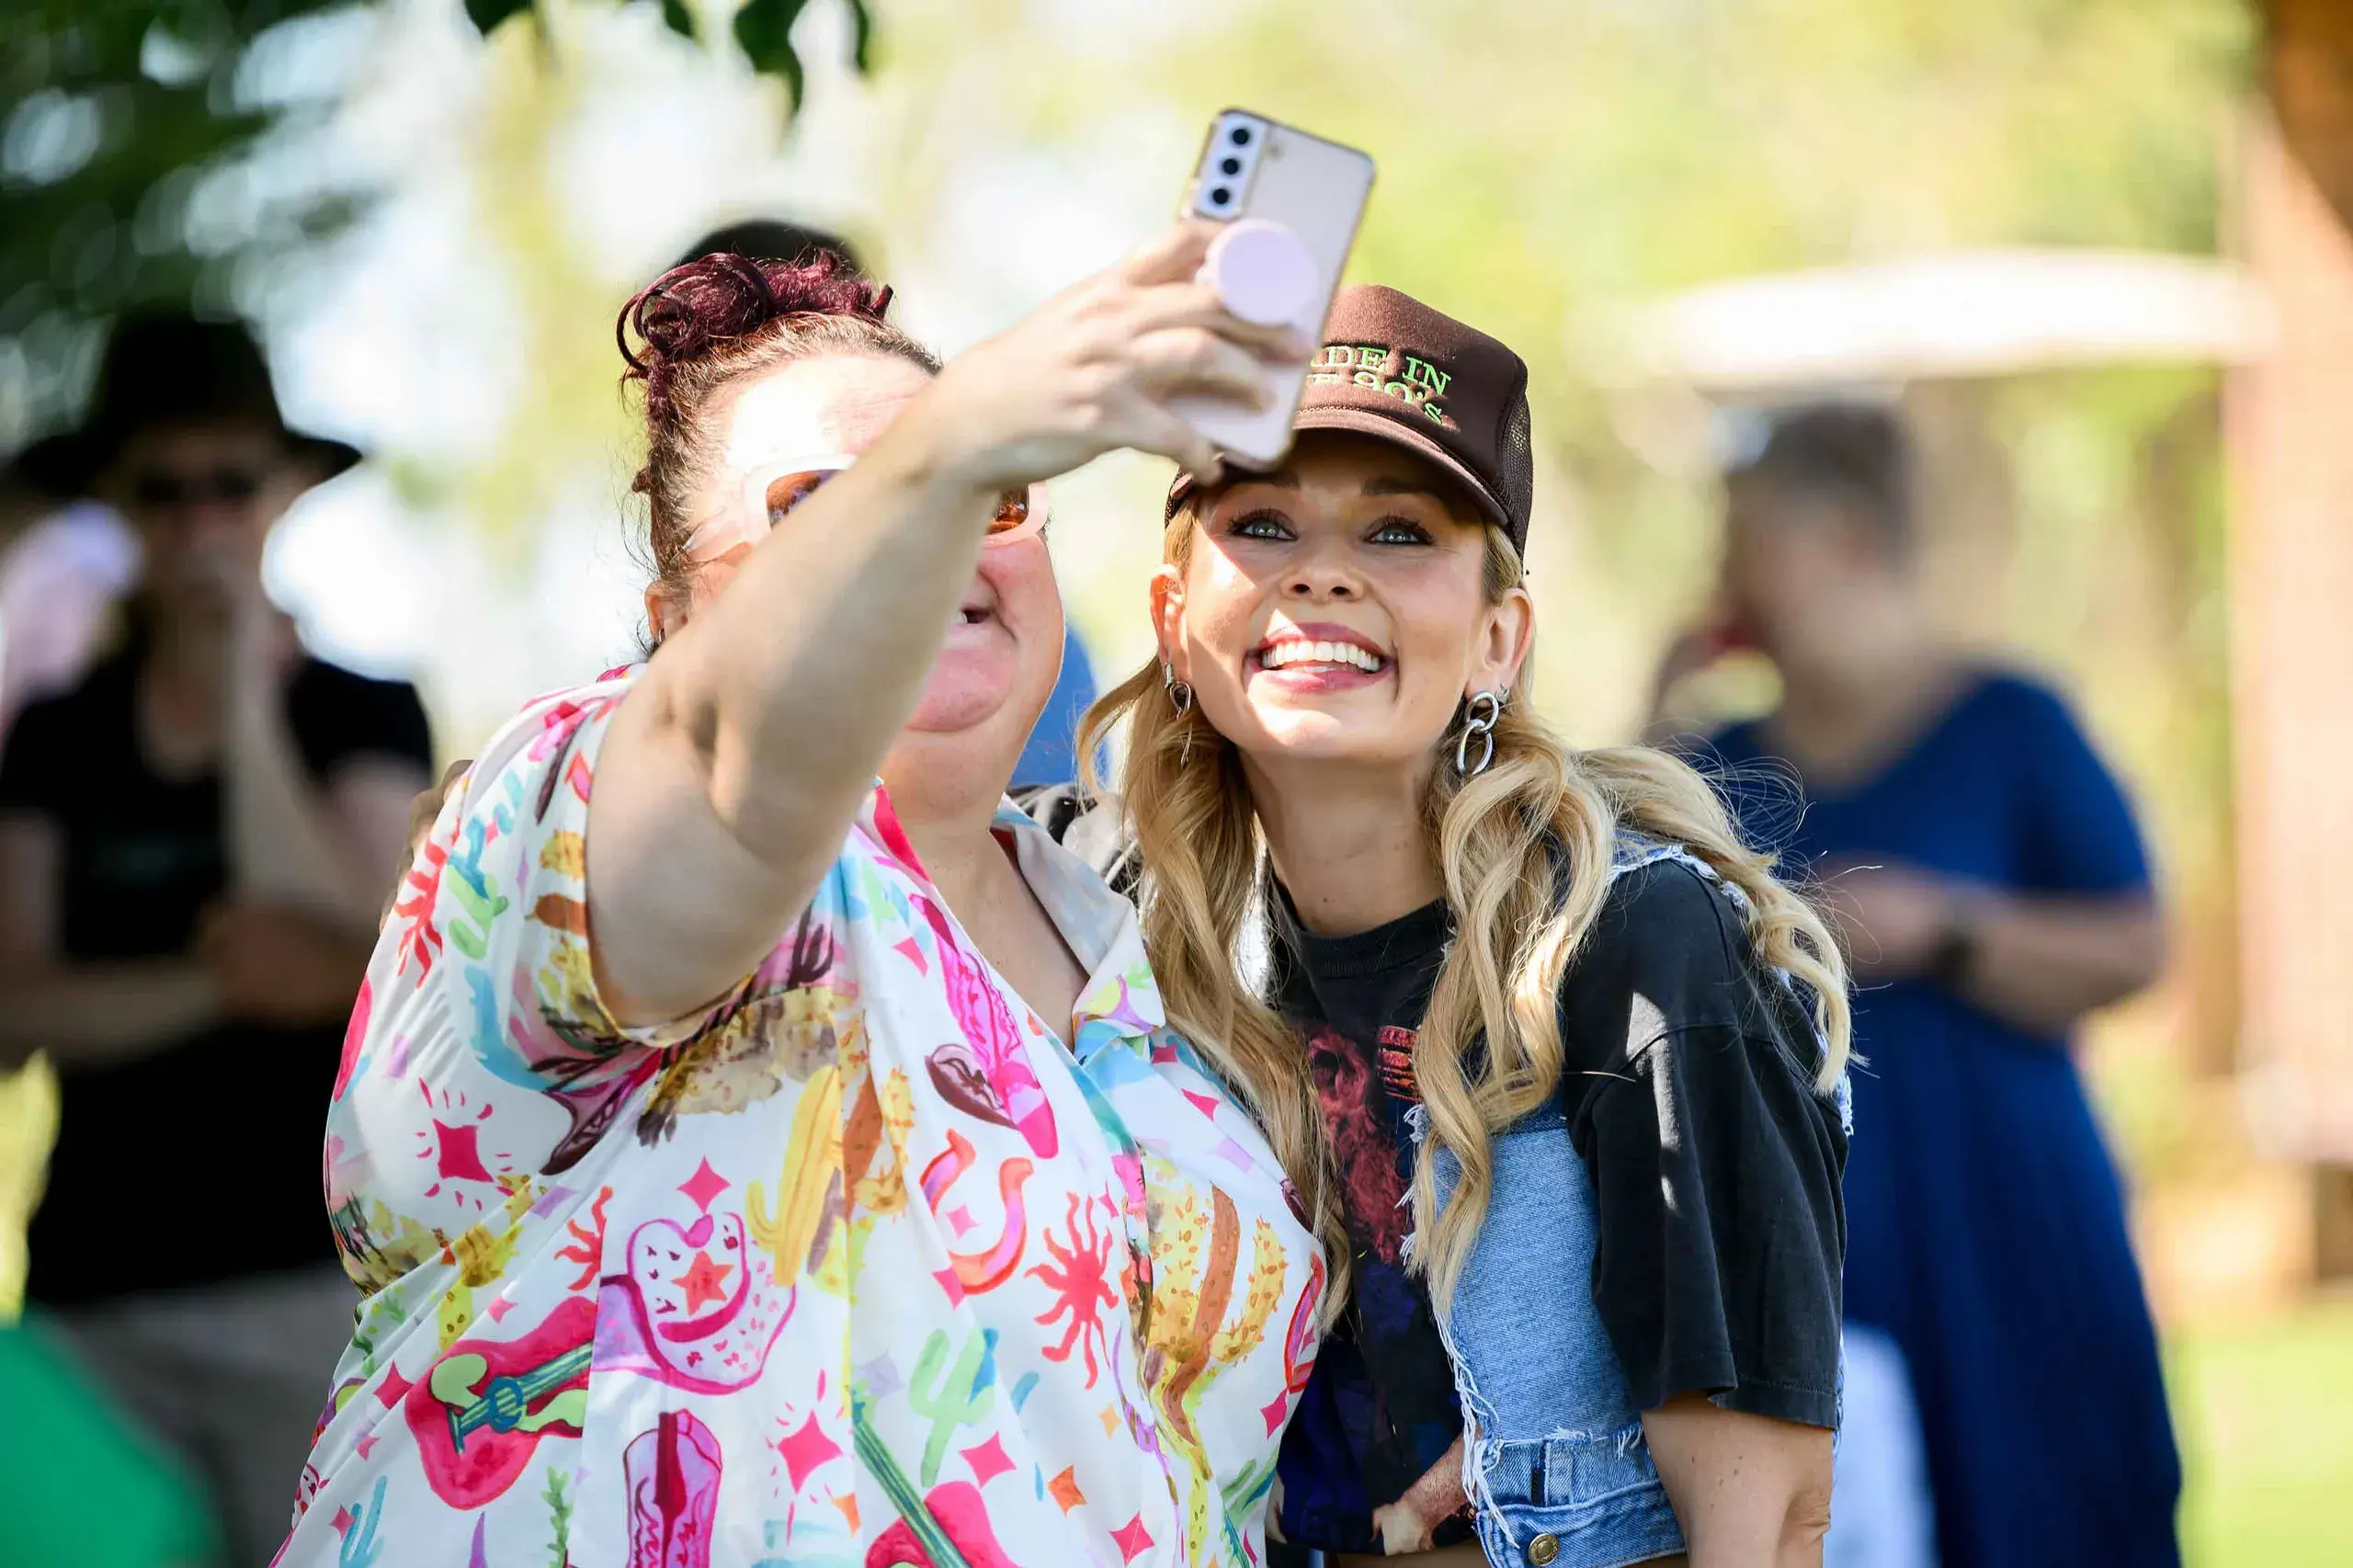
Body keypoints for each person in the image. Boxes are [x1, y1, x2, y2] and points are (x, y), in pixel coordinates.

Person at [279, 230, 1329, 1565]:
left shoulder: (1140, 948)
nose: (936, 535)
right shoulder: (575, 811)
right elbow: (735, 771)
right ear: (676, 622)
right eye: (825, 506)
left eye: (997, 497)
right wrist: (951, 450)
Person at [1069, 286, 1856, 1568]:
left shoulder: (1633, 947)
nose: (1323, 571)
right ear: (1172, 620)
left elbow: (1766, 1524)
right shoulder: (1107, 941)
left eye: (1397, 531)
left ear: (1498, 638)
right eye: (1262, 523)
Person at [1662, 402, 2177, 1568]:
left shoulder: (2013, 722)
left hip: (2011, 1222)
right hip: (1810, 1249)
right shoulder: (1707, 761)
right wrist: (1657, 705)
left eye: (1746, 541)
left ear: (1845, 540)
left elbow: (2138, 944)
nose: (1723, 578)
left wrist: (1945, 926)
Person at [0, 312, 435, 1566]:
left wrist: (244, 685)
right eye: (164, 489)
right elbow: (15, 1011)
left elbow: (384, 972)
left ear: (283, 490)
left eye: (230, 484)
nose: (200, 522)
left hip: (314, 1295)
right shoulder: (56, 736)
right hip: (96, 1308)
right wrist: (226, 976)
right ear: (115, 501)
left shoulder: (360, 709)